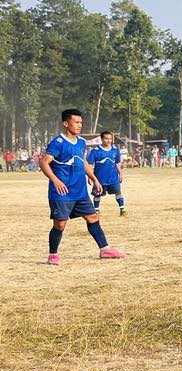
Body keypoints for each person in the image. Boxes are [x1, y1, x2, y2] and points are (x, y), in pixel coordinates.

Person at [41, 109, 125, 265]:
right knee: (60, 224)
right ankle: (53, 254)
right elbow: (44, 162)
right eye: (76, 122)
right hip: (62, 192)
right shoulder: (57, 142)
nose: (80, 125)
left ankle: (105, 248)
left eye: (81, 122)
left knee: (93, 217)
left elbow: (82, 162)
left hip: (80, 191)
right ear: (66, 123)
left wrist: (94, 178)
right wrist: (55, 180)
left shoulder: (81, 142)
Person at [86, 130, 126, 216]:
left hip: (113, 177)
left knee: (118, 192)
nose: (109, 141)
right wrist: (89, 177)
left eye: (110, 139)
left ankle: (122, 209)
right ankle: (96, 210)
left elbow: (117, 163)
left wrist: (120, 173)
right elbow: (89, 164)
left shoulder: (115, 150)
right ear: (101, 139)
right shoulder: (95, 151)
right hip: (99, 179)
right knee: (97, 194)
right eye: (106, 139)